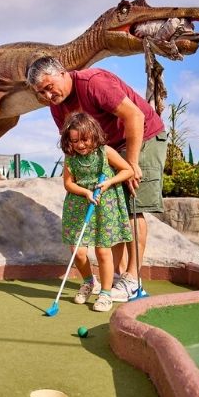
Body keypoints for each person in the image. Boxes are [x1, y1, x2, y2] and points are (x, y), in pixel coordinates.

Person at [27, 56, 166, 302]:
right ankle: (120, 277)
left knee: (134, 207)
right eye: (41, 93)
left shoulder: (93, 82)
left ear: (62, 72)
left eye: (49, 87)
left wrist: (132, 164)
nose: (48, 95)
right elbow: (70, 145)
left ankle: (133, 280)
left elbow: (134, 116)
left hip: (141, 137)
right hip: (108, 148)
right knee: (115, 210)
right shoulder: (57, 106)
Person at [60, 112, 133, 312]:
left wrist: (108, 182)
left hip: (104, 206)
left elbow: (127, 170)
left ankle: (106, 294)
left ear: (94, 134)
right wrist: (85, 192)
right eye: (75, 141)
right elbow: (68, 184)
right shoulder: (70, 158)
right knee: (78, 250)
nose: (80, 145)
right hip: (78, 206)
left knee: (102, 251)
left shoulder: (105, 152)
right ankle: (89, 282)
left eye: (84, 139)